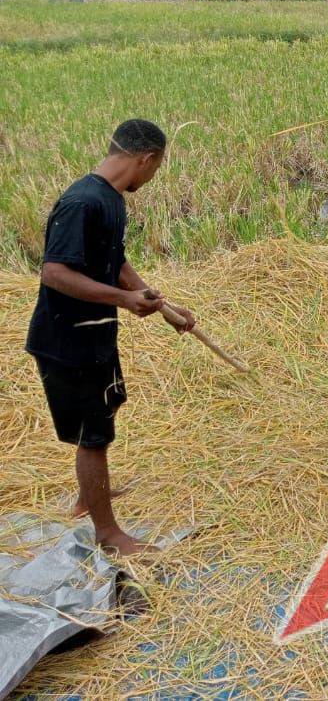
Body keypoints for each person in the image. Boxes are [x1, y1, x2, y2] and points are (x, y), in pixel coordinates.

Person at [26, 119, 196, 556]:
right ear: (147, 158)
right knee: (93, 435)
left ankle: (89, 498)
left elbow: (114, 261)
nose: (153, 176)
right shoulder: (82, 202)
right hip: (68, 341)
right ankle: (109, 534)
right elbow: (54, 272)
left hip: (95, 335)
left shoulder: (111, 200)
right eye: (156, 169)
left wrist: (164, 309)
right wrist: (124, 300)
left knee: (108, 406)